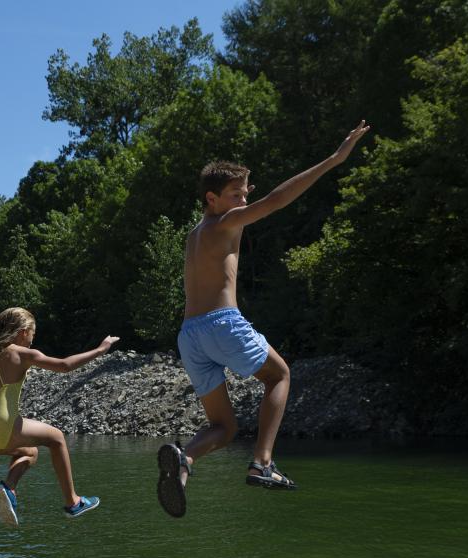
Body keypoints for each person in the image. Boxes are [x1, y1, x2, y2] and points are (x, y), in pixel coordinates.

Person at [157, 121, 372, 518]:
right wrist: (334, 159)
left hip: (189, 335)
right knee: (280, 376)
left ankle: (184, 461)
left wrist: (240, 190)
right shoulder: (226, 222)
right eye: (235, 195)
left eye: (245, 194)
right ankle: (263, 463)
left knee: (224, 427)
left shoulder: (195, 233)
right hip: (222, 323)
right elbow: (276, 200)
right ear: (211, 198)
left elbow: (251, 199)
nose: (243, 201)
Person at [0, 307, 117, 525]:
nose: (32, 340)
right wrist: (100, 350)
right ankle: (73, 502)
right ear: (23, 332)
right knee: (56, 437)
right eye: (33, 334)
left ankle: (8, 488)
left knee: (30, 452)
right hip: (4, 426)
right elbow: (65, 365)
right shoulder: (23, 354)